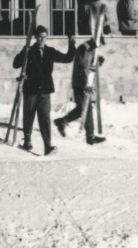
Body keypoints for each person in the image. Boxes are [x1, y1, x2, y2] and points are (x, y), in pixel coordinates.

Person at [12, 25, 75, 154]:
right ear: (35, 37)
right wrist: (24, 51)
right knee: (29, 116)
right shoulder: (29, 51)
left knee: (45, 118)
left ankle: (47, 145)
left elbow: (68, 58)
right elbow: (15, 64)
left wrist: (71, 42)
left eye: (45, 37)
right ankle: (27, 141)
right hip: (30, 89)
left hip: (45, 89)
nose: (42, 40)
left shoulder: (50, 52)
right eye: (40, 37)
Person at [56, 38, 105, 145]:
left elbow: (90, 67)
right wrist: (87, 83)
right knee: (86, 109)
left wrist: (98, 63)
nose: (99, 47)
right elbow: (82, 68)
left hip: (85, 84)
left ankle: (61, 122)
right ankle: (90, 136)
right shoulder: (83, 49)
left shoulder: (91, 51)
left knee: (82, 109)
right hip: (80, 85)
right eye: (99, 44)